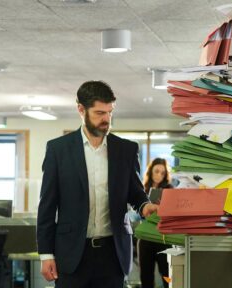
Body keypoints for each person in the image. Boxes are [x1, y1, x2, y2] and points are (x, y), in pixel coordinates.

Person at [37, 80, 159, 287]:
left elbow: (135, 192)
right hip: (72, 253)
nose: (107, 119)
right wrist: (46, 254)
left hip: (113, 254)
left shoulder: (126, 150)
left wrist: (145, 206)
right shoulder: (58, 150)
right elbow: (47, 206)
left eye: (110, 112)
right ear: (81, 110)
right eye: (100, 113)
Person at [138, 158, 173, 288]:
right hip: (146, 238)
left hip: (163, 238)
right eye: (156, 171)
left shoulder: (169, 190)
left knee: (167, 275)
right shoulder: (142, 190)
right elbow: (137, 212)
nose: (159, 175)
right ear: (151, 171)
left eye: (162, 173)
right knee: (146, 277)